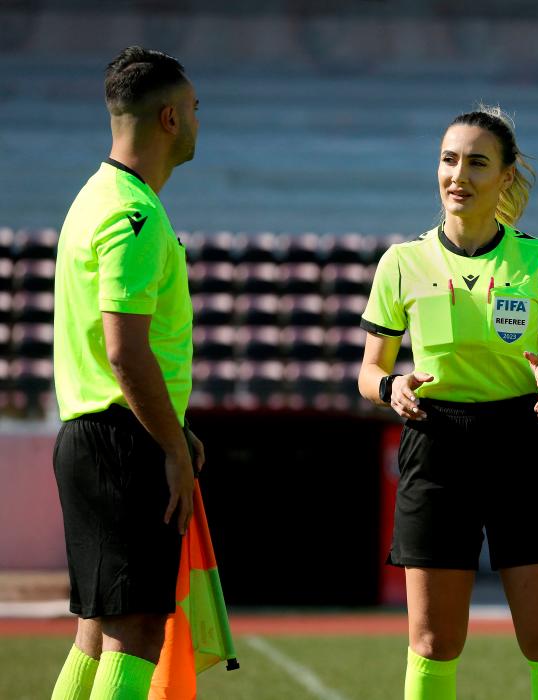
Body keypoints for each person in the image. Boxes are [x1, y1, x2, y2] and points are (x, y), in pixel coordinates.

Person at [359, 106, 538, 700]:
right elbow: (369, 371)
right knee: (433, 642)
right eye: (448, 159)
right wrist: (391, 387)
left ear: (506, 177)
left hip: (522, 441)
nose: (458, 175)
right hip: (435, 446)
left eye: (477, 163)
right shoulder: (401, 263)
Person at [50, 46, 204, 700]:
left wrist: (173, 430)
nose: (200, 120)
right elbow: (126, 351)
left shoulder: (95, 197)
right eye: (195, 109)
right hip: (123, 443)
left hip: (94, 436)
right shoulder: (134, 215)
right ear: (169, 118)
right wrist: (169, 444)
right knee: (136, 633)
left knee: (95, 630)